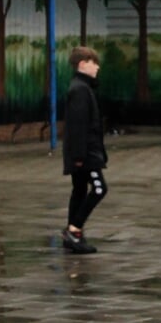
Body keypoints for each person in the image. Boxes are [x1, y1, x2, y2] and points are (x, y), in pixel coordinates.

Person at [60, 45, 108, 253]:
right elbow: (78, 126)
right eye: (93, 62)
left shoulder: (82, 87)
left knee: (79, 190)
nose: (97, 67)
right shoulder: (80, 90)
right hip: (86, 154)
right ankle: (74, 228)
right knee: (99, 189)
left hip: (81, 152)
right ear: (82, 64)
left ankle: (73, 234)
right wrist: (80, 156)